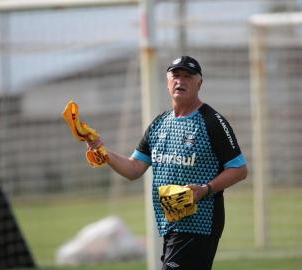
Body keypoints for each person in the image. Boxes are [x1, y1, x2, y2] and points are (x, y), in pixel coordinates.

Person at [87, 55, 248, 270]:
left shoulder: (212, 122)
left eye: (187, 76)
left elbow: (239, 169)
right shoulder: (159, 123)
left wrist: (205, 189)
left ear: (199, 83)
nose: (180, 81)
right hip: (171, 221)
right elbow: (134, 169)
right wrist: (103, 152)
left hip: (199, 223)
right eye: (176, 75)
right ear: (167, 81)